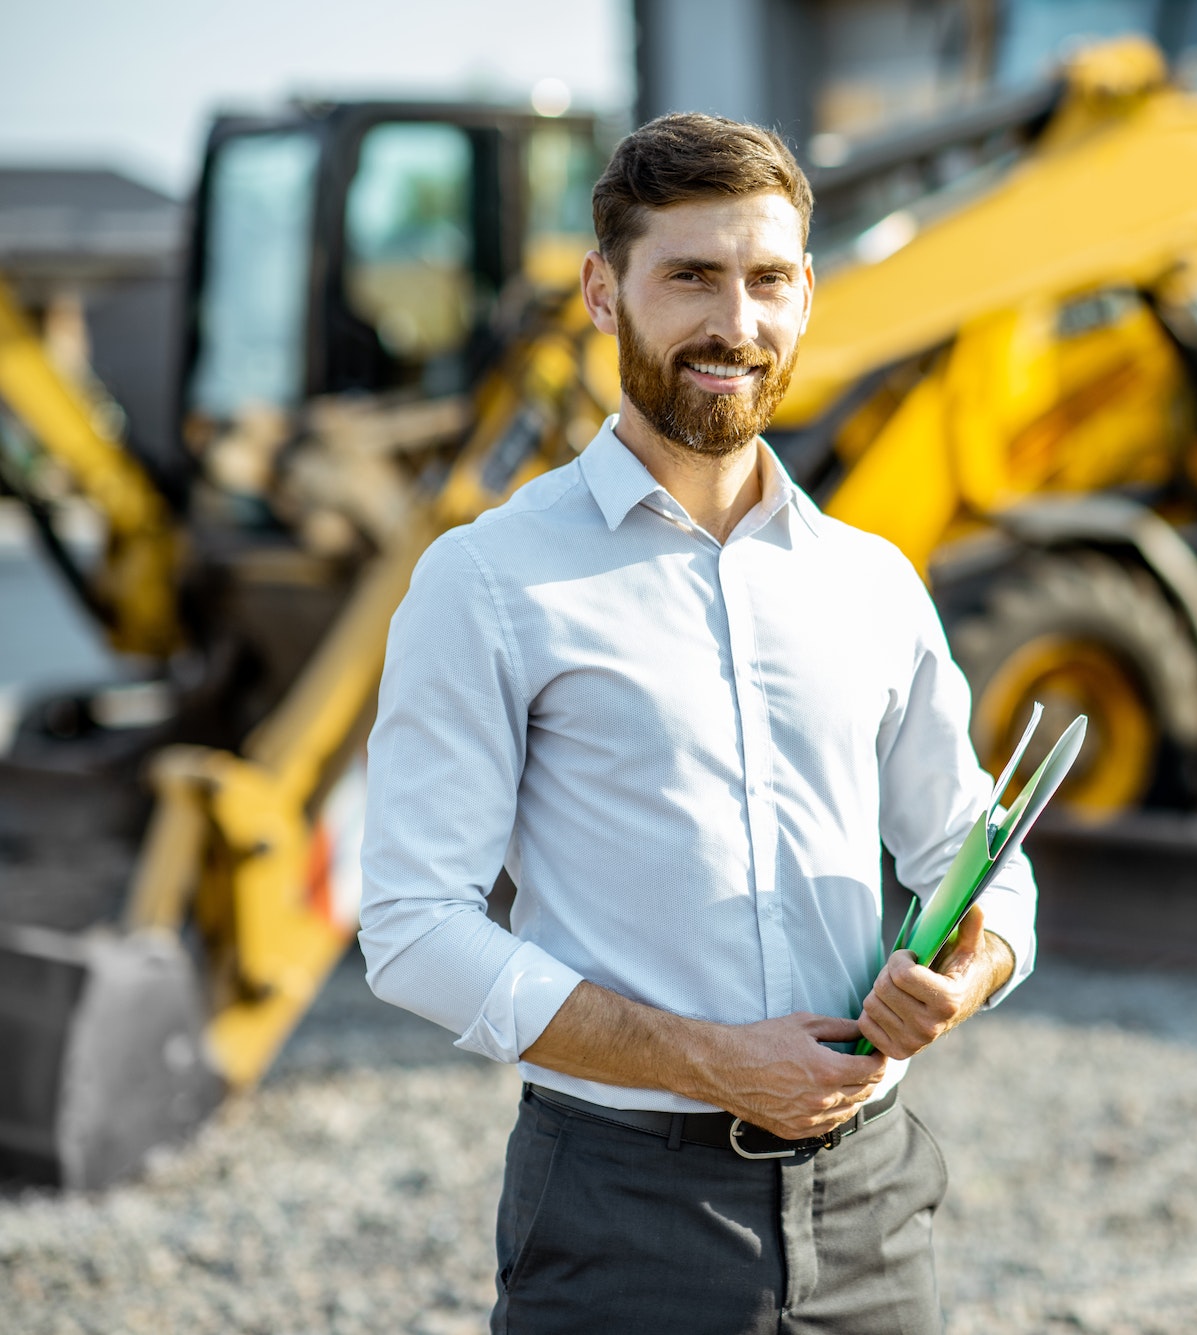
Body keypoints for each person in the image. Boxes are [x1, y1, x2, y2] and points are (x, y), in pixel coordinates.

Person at [357, 111, 1035, 1335]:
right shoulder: (490, 580)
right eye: (691, 277)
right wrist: (707, 1060)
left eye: (768, 279)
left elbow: (980, 852)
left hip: (872, 1207)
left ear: (807, 292)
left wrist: (964, 971)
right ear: (604, 291)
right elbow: (411, 930)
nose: (736, 323)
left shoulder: (873, 580)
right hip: (621, 1216)